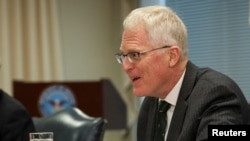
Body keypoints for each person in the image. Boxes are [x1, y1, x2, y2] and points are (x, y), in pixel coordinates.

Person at [115, 5, 250, 141]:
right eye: (124, 56)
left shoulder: (217, 95)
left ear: (172, 56)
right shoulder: (151, 103)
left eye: (135, 54)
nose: (125, 66)